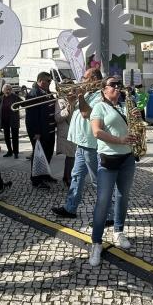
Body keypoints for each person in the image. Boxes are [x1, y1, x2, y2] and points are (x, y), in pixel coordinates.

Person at [52, 68, 115, 225]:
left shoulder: (101, 96)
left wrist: (80, 96)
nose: (82, 80)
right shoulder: (88, 93)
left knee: (98, 181)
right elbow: (78, 113)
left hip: (91, 144)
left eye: (85, 78)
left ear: (94, 79)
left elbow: (87, 114)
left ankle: (108, 215)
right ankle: (70, 208)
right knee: (77, 176)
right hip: (81, 143)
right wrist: (73, 101)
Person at [87, 76, 138, 266]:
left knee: (123, 197)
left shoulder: (125, 107)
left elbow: (133, 128)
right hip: (108, 159)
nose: (117, 87)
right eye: (113, 85)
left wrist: (137, 124)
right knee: (103, 201)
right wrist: (121, 140)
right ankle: (96, 243)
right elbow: (97, 132)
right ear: (103, 90)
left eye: (119, 85)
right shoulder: (99, 107)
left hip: (128, 158)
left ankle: (119, 231)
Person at [25, 72, 57, 188]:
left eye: (50, 81)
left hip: (49, 129)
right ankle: (36, 180)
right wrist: (36, 133)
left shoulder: (47, 92)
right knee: (38, 155)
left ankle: (45, 174)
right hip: (40, 132)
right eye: (48, 81)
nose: (50, 83)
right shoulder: (33, 94)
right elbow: (31, 117)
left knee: (47, 154)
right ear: (40, 81)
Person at [55, 92, 77, 185]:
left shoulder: (76, 99)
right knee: (71, 156)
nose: (71, 92)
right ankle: (68, 178)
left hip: (76, 131)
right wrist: (68, 107)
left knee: (73, 156)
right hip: (67, 133)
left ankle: (68, 177)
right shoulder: (60, 101)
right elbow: (57, 118)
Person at [0, 84, 22, 158]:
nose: (8, 91)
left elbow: (23, 103)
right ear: (3, 90)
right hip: (5, 120)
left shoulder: (15, 97)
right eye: (6, 89)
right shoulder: (1, 98)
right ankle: (9, 151)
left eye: (9, 89)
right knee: (6, 137)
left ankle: (16, 152)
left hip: (13, 119)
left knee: (15, 137)